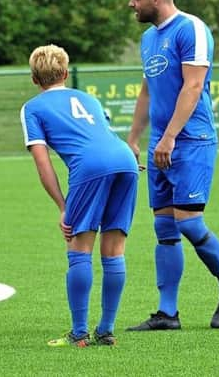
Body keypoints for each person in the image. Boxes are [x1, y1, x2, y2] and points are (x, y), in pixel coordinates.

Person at [126, 0, 219, 331]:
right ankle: (167, 313)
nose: (131, 4)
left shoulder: (192, 29)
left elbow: (193, 86)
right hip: (161, 143)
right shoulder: (148, 38)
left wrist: (169, 136)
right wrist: (134, 138)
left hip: (191, 141)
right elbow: (147, 90)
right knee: (164, 227)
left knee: (190, 222)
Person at [20, 44, 139, 347]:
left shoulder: (33, 108)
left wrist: (64, 206)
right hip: (125, 160)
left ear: (34, 79)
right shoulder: (89, 99)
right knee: (114, 251)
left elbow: (43, 163)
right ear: (66, 73)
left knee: (79, 248)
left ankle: (79, 333)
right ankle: (107, 330)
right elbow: (101, 136)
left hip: (90, 167)